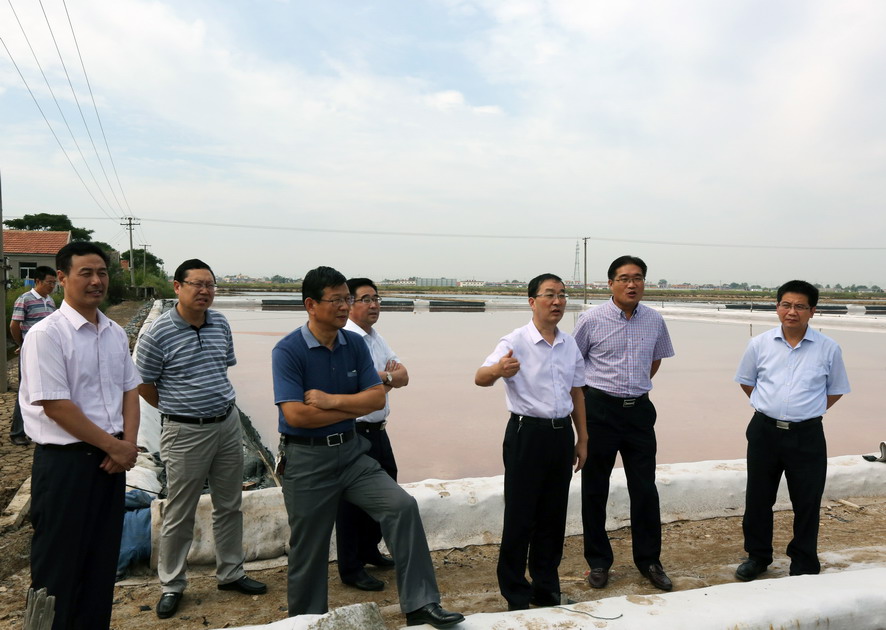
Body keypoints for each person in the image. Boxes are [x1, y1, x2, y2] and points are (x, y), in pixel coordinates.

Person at [272, 266, 463, 629]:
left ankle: (421, 603)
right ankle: (307, 621)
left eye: (347, 299)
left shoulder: (355, 343)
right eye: (336, 300)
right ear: (311, 305)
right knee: (309, 547)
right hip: (307, 458)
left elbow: (376, 399)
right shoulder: (288, 350)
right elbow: (295, 415)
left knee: (402, 507)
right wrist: (351, 405)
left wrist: (330, 402)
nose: (345, 306)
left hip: (352, 453)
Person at [136, 259, 266, 620]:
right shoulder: (158, 333)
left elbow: (220, 368)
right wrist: (180, 408)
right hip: (185, 432)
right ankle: (172, 584)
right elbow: (144, 384)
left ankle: (231, 572)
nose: (205, 291)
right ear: (177, 287)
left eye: (210, 285)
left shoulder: (220, 323)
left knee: (230, 504)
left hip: (226, 424)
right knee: (180, 510)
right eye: (197, 284)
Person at [20, 242, 140, 630]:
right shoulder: (47, 334)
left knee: (101, 567)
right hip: (66, 466)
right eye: (85, 273)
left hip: (111, 464)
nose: (96, 281)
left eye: (101, 273)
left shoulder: (114, 333)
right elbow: (56, 405)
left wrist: (128, 445)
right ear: (62, 277)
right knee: (58, 570)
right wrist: (115, 446)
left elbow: (130, 391)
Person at [475, 273, 588, 611]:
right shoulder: (515, 340)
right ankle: (515, 593)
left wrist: (582, 438)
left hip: (560, 435)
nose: (557, 301)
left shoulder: (569, 344)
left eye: (562, 295)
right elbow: (480, 377)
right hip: (526, 434)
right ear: (532, 301)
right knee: (520, 517)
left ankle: (546, 589)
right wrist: (499, 370)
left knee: (553, 517)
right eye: (549, 294)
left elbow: (577, 393)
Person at [733, 280, 850, 581]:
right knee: (758, 498)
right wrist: (768, 405)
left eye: (800, 306)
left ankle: (804, 562)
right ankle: (757, 557)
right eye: (786, 305)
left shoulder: (828, 348)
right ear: (777, 307)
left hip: (807, 435)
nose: (792, 312)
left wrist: (806, 411)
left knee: (807, 501)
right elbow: (747, 381)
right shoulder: (759, 344)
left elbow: (835, 390)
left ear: (813, 311)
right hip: (764, 431)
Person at [573, 255, 675, 591]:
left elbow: (655, 360)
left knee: (644, 488)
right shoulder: (591, 319)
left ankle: (649, 561)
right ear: (611, 283)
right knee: (595, 488)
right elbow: (574, 364)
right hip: (600, 410)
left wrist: (633, 387)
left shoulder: (654, 320)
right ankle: (598, 562)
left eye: (638, 278)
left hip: (639, 412)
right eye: (624, 279)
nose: (632, 285)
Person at [335, 277, 407, 592]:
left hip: (378, 429)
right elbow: (354, 385)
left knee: (388, 483)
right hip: (355, 430)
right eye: (366, 299)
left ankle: (369, 549)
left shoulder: (376, 338)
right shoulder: (347, 338)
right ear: (349, 303)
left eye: (376, 298)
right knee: (352, 501)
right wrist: (386, 379)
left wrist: (381, 379)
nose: (374, 304)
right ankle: (351, 567)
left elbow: (404, 376)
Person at [9, 266, 57, 446]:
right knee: (27, 390)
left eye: (54, 283)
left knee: (46, 391)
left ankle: (37, 430)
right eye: (49, 282)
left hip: (48, 351)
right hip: (30, 352)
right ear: (37, 281)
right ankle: (17, 432)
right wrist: (22, 344)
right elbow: (14, 325)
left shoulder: (50, 301)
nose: (52, 286)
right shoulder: (25, 299)